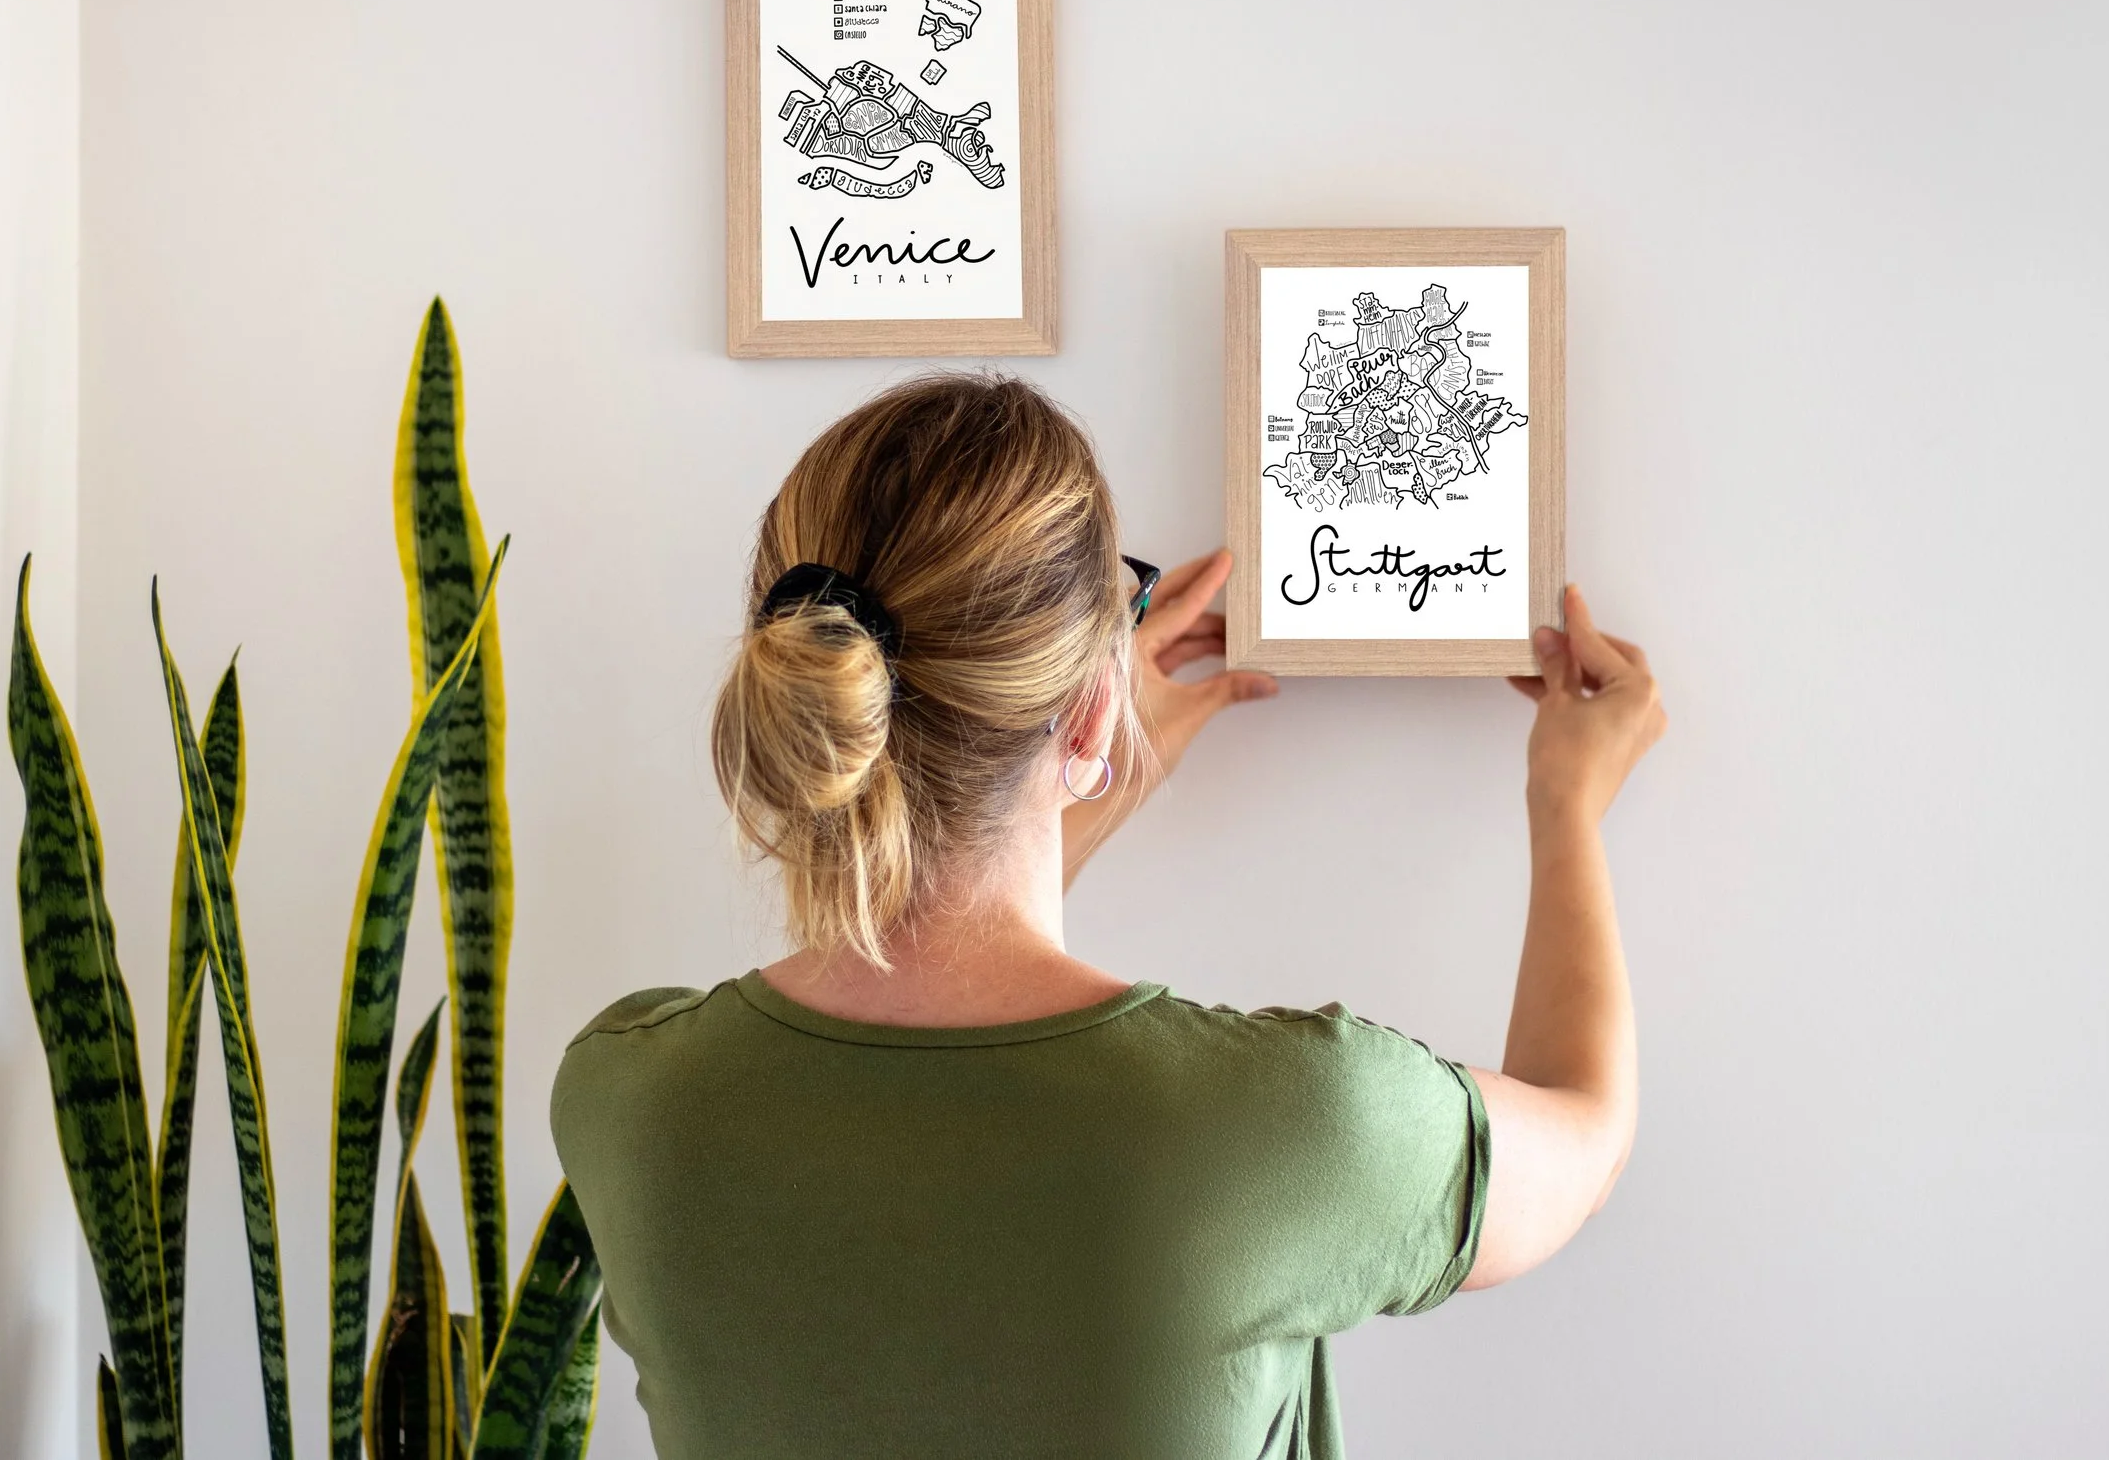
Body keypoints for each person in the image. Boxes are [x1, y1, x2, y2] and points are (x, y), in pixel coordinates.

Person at [550, 373, 1665, 1459]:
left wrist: (1091, 768)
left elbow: (931, 1021)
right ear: (1091, 709)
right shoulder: (1290, 1121)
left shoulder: (632, 1097)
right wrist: (1565, 799)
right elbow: (1586, 1131)